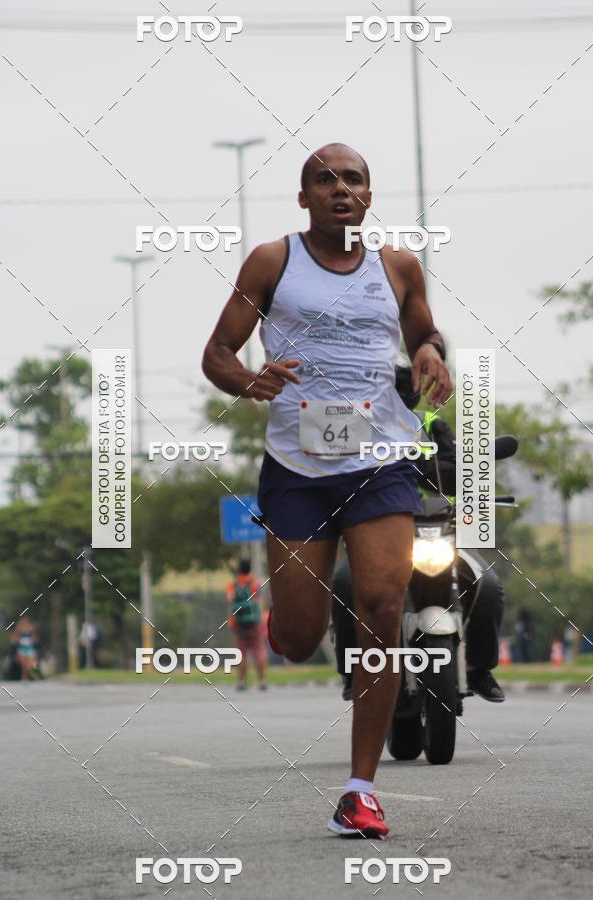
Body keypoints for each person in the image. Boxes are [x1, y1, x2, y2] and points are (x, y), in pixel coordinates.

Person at [203, 143, 452, 838]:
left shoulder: (397, 266)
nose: (340, 188)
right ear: (304, 197)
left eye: (353, 179)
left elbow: (426, 331)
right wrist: (247, 379)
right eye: (325, 179)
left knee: (383, 603)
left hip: (380, 461)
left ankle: (360, 790)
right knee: (297, 638)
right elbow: (217, 353)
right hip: (297, 470)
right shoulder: (271, 262)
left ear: (368, 195)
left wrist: (428, 350)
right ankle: (297, 612)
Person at [332, 363, 505, 703]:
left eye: (407, 386)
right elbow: (338, 474)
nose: (401, 394)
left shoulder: (432, 425)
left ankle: (479, 668)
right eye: (392, 387)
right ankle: (352, 671)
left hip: (438, 532)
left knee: (488, 585)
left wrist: (426, 465)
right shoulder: (356, 427)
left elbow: (458, 473)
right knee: (342, 582)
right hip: (377, 538)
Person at [226, 559, 268, 691]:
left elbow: (230, 599)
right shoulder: (255, 583)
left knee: (241, 653)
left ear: (239, 570)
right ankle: (262, 681)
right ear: (250, 569)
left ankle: (241, 682)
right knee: (259, 651)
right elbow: (260, 598)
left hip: (238, 624)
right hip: (254, 623)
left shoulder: (232, 584)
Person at [11, 615, 39, 681]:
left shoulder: (31, 627)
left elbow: (35, 636)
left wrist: (34, 639)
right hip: (22, 647)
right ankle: (24, 677)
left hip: (29, 647)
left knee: (30, 664)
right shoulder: (19, 628)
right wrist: (16, 640)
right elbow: (14, 637)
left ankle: (29, 675)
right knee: (23, 664)